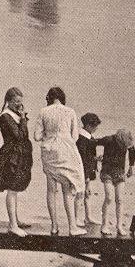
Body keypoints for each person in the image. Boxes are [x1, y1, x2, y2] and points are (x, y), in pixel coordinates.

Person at [34, 87, 85, 236]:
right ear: (62, 98)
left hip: (49, 151)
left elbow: (37, 136)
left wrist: (48, 135)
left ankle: (54, 226)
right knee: (67, 189)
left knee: (51, 190)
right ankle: (72, 227)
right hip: (66, 151)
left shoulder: (43, 111)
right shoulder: (70, 111)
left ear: (49, 98)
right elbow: (75, 137)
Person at [0, 87, 33, 236]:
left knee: (15, 189)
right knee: (12, 190)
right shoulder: (6, 116)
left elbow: (24, 135)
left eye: (20, 102)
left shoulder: (15, 114)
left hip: (18, 155)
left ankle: (15, 220)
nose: (19, 104)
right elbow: (19, 136)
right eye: (16, 102)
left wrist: (22, 117)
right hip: (11, 156)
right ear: (9, 101)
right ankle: (12, 225)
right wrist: (23, 119)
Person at [96, 128, 135, 236]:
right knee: (109, 197)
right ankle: (104, 225)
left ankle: (119, 226)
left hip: (120, 172)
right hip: (107, 172)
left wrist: (131, 167)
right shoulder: (109, 139)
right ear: (120, 139)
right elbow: (93, 142)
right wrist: (94, 158)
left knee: (120, 199)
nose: (126, 146)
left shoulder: (127, 142)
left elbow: (133, 151)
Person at [76, 112, 101, 226]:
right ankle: (79, 218)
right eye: (95, 126)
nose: (95, 129)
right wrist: (96, 158)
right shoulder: (82, 138)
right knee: (81, 194)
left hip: (87, 169)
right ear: (89, 126)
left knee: (86, 194)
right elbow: (83, 157)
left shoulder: (86, 136)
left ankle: (87, 217)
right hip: (83, 170)